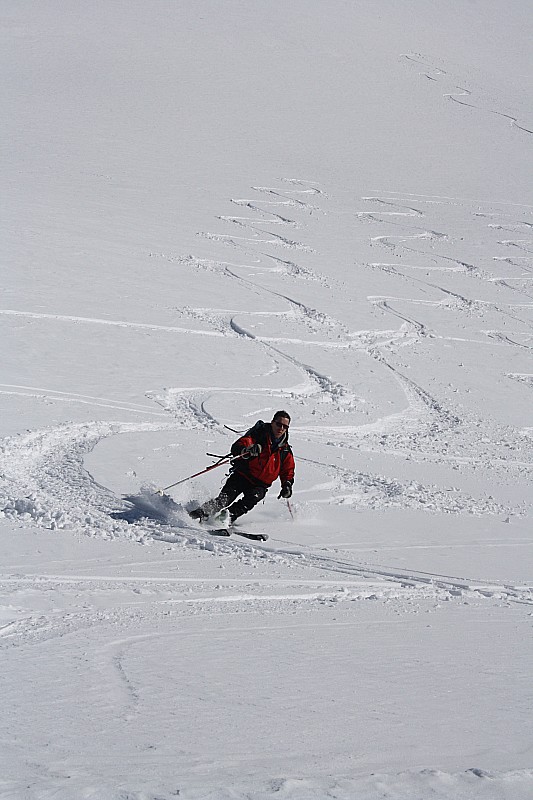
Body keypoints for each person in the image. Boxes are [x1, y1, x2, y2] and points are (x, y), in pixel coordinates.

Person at [189, 410, 295, 526]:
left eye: (285, 426)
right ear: (272, 422)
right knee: (224, 499)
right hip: (243, 475)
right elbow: (239, 446)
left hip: (260, 485)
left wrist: (287, 485)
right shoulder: (258, 435)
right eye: (278, 424)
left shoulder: (285, 450)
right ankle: (199, 514)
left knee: (248, 502)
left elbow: (287, 470)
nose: (281, 428)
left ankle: (225, 518)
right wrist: (247, 450)